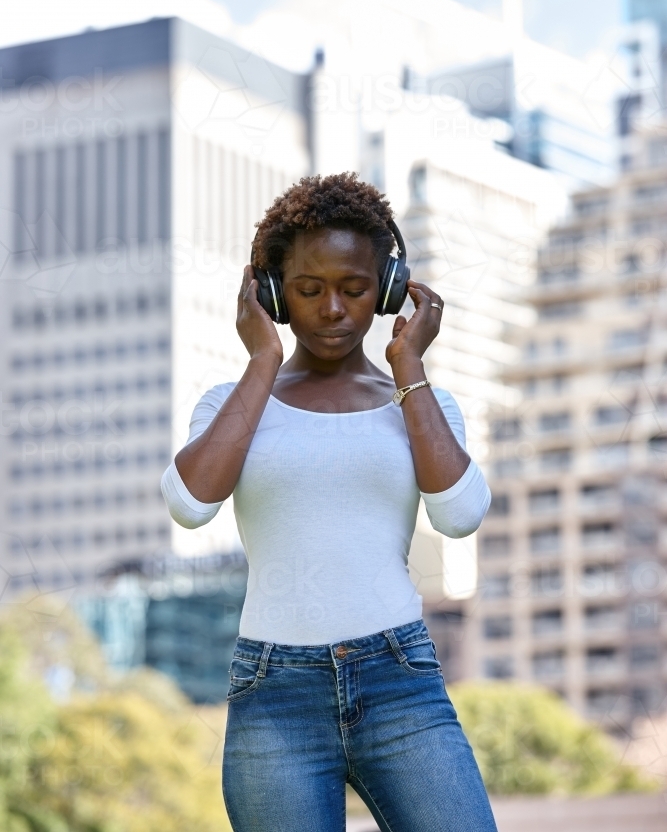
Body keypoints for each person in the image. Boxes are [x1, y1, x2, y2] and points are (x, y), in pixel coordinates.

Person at [161, 173, 497, 832]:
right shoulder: (229, 406)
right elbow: (190, 505)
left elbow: (458, 516)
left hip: (398, 680)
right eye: (309, 291)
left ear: (389, 289)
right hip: (273, 692)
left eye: (354, 288)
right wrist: (262, 361)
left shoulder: (422, 404)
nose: (334, 309)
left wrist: (410, 369)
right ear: (272, 295)